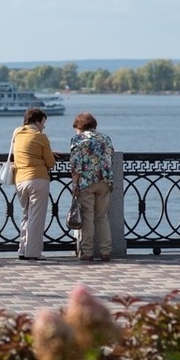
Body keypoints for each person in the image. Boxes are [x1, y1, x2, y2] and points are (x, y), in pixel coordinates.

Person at [69, 112, 115, 262]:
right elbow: (111, 157)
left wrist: (75, 183)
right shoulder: (105, 138)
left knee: (88, 217)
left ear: (80, 127)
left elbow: (76, 164)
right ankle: (106, 251)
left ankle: (87, 252)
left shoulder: (78, 139)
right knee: (102, 217)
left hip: (86, 182)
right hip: (105, 182)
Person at [12, 107, 56, 261]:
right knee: (36, 217)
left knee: (26, 216)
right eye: (43, 123)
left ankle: (23, 250)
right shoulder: (41, 137)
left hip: (20, 180)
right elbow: (50, 163)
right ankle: (34, 252)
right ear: (37, 121)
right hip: (37, 179)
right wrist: (50, 154)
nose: (44, 126)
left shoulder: (17, 133)